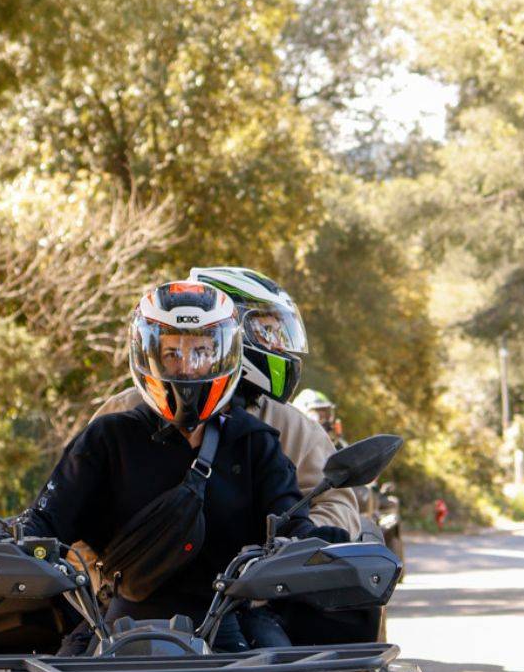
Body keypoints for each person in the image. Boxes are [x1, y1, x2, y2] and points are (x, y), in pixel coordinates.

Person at [20, 282, 319, 650]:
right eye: (172, 353)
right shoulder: (108, 437)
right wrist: (5, 547)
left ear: (225, 355)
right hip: (116, 630)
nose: (188, 367)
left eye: (202, 351)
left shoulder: (254, 443)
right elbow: (44, 521)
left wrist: (335, 548)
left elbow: (295, 529)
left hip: (230, 626)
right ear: (149, 356)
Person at [93, 267, 361, 540]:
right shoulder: (126, 411)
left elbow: (335, 504)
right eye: (267, 332)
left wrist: (293, 546)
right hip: (135, 579)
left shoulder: (292, 427)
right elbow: (80, 505)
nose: (278, 346)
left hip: (260, 579)